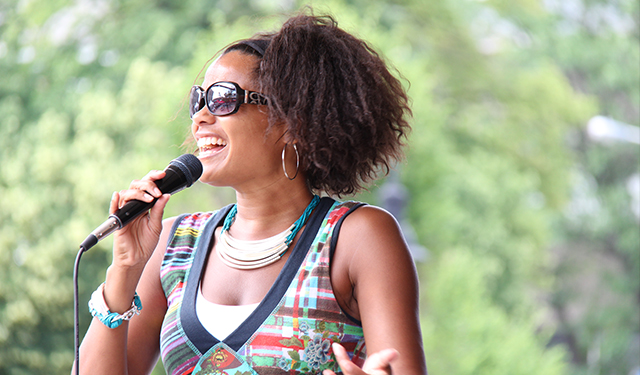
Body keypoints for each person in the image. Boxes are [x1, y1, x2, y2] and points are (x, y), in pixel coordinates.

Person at [75, 12, 427, 375]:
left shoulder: (357, 237)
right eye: (200, 100)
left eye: (224, 98)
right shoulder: (173, 245)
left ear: (293, 121)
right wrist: (124, 272)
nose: (199, 117)